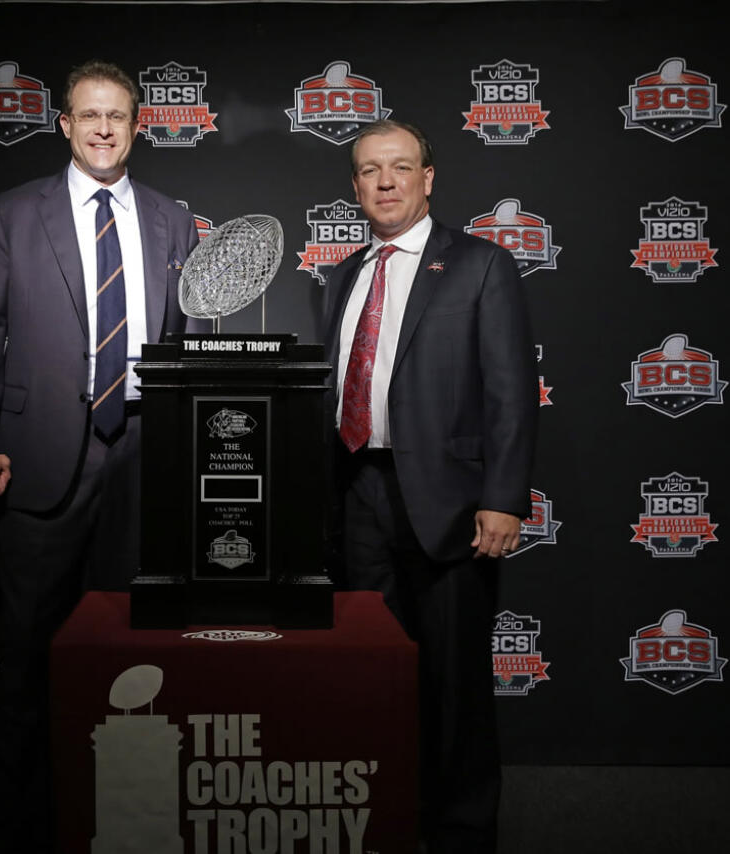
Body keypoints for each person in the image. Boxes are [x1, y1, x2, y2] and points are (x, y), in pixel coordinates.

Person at [0, 60, 199, 853]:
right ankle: (20, 829)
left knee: (132, 656)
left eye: (117, 117)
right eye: (88, 115)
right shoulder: (17, 214)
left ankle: (123, 821)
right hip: (35, 459)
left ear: (137, 127)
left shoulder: (171, 220)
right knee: (27, 657)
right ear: (64, 123)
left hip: (136, 455)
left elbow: (185, 344)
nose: (101, 129)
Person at [323, 120, 537, 854]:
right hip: (357, 495)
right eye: (370, 170)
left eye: (401, 167)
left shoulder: (481, 265)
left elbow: (511, 393)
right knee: (372, 672)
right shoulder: (343, 274)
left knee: (454, 687)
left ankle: (463, 833)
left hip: (450, 506)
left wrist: (504, 497)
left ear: (428, 178)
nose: (385, 182)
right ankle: (388, 820)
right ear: (354, 186)